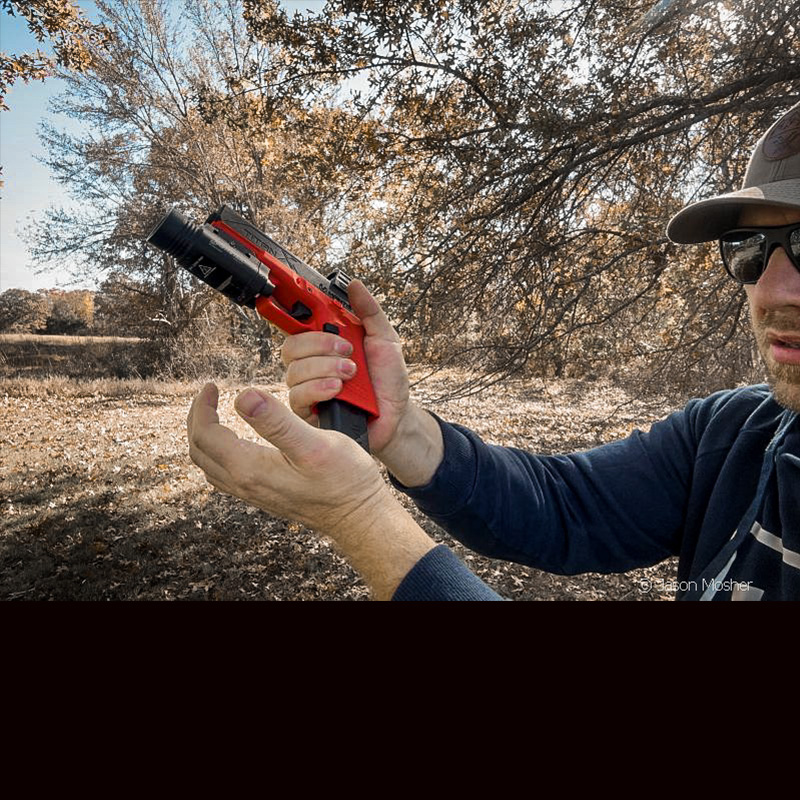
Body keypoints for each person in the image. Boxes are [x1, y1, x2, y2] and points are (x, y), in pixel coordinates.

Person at [187, 101, 800, 601]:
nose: (771, 291)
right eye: (750, 248)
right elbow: (565, 506)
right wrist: (400, 430)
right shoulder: (735, 434)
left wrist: (361, 520)